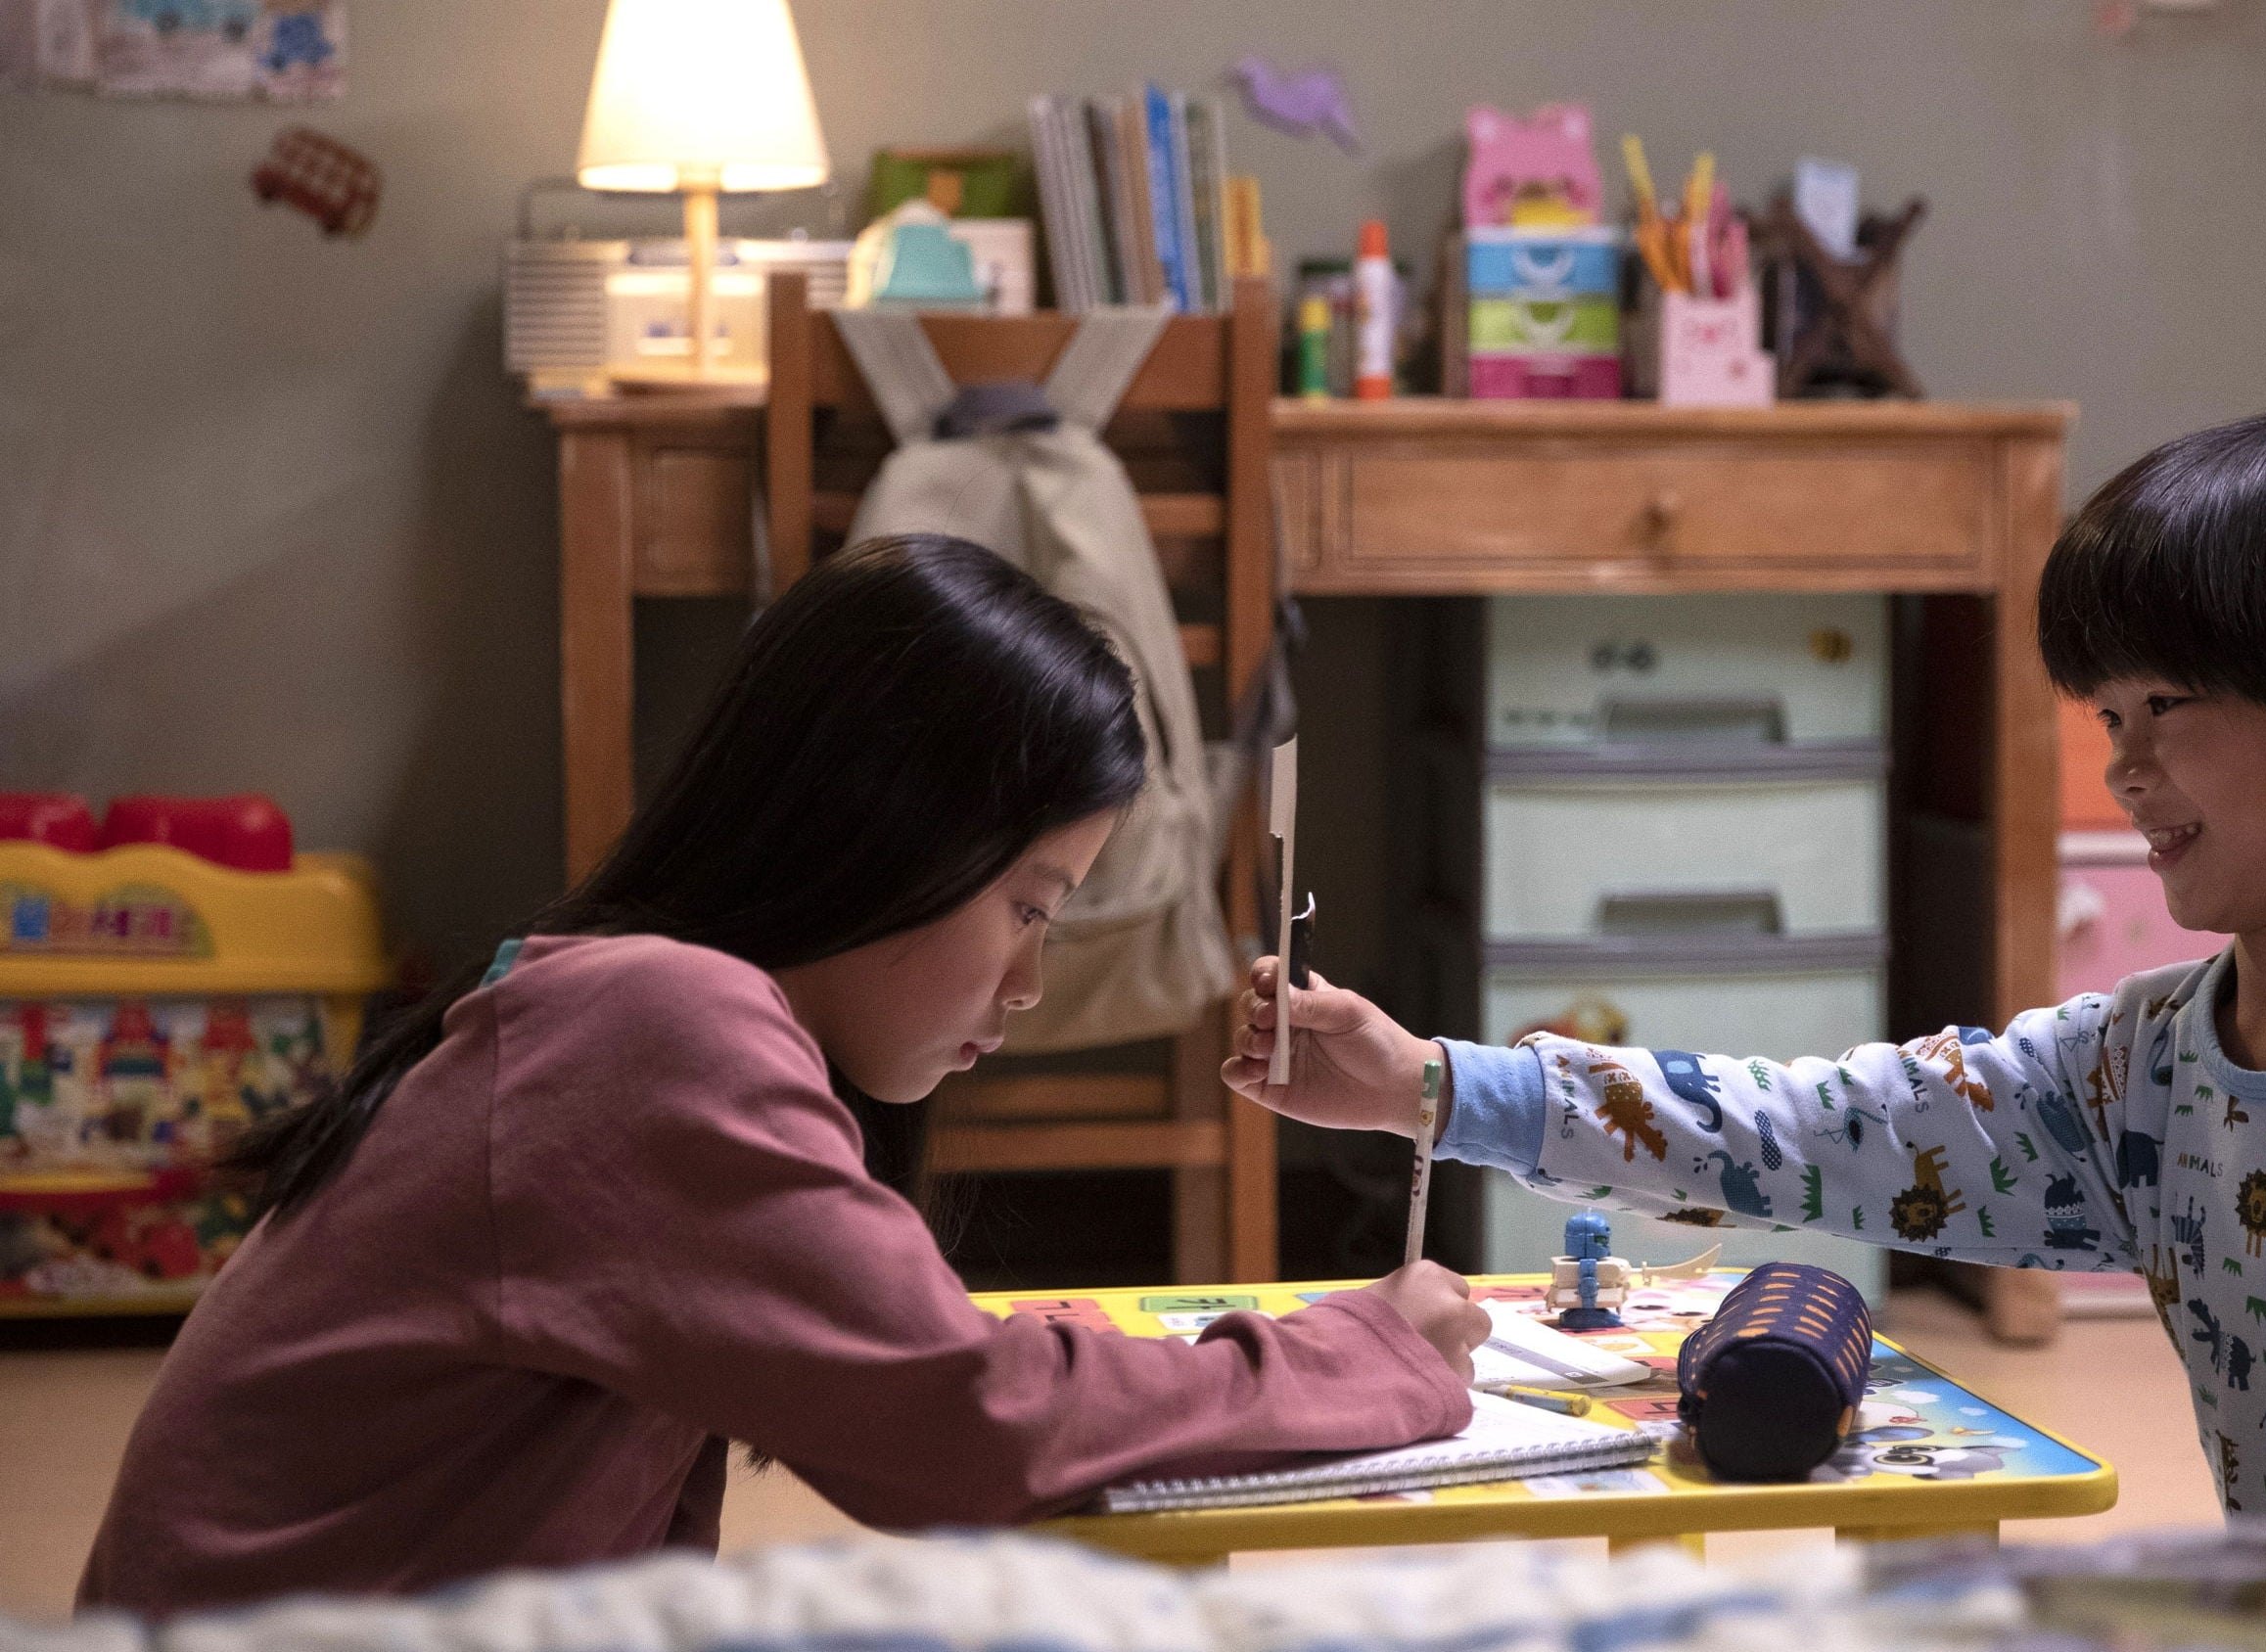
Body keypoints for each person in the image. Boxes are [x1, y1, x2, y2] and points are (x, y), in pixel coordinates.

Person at [1229, 404, 2266, 1539]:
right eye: (2109, 714)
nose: (2123, 765)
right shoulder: (2147, 1064)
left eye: (2169, 706)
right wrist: (1433, 1085)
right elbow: (1815, 1131)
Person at [82, 535, 1485, 1615]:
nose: (1028, 982)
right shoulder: (655, 1028)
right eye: (1029, 906)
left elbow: (942, 1387)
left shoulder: (611, 1001)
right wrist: (1361, 1351)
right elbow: (973, 1429)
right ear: (886, 831)